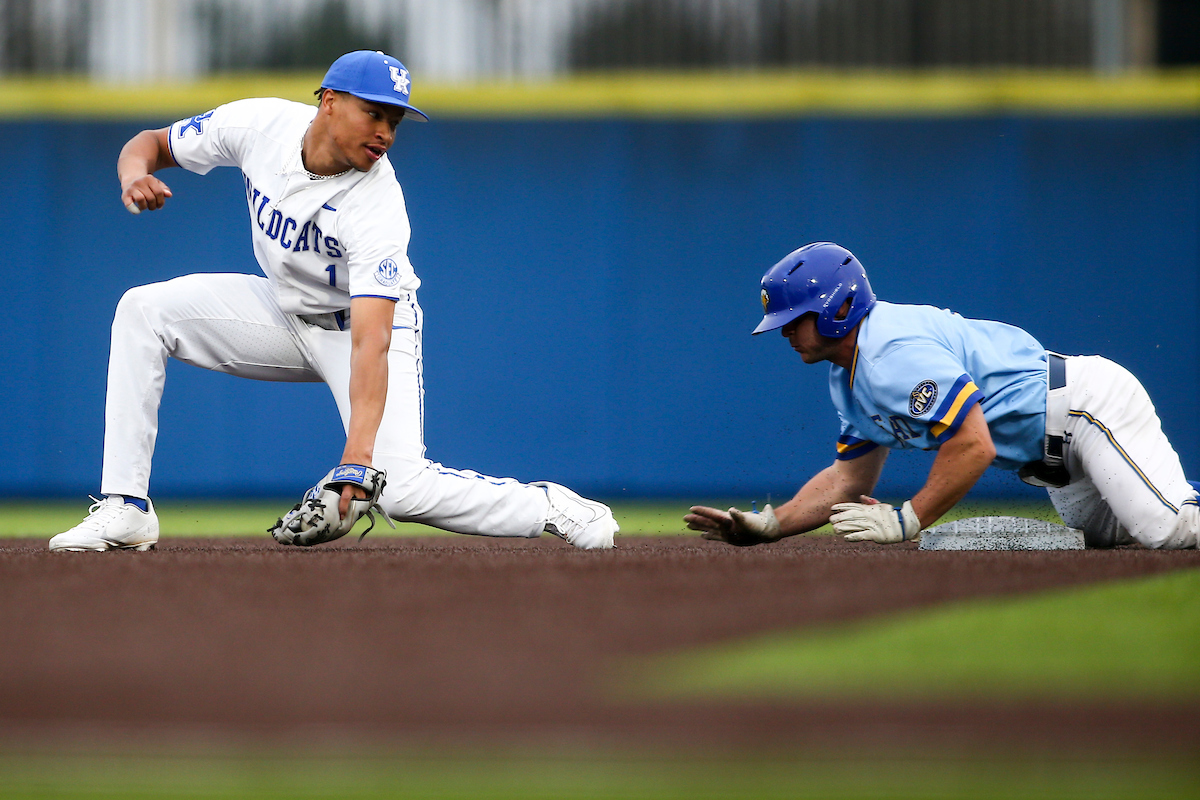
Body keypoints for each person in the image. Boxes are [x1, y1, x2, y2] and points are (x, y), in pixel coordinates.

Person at [50, 50, 617, 552]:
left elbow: (371, 342)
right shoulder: (258, 124)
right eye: (373, 113)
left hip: (364, 330)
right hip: (282, 309)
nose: (386, 132)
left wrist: (356, 461)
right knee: (143, 310)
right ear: (328, 101)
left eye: (394, 121)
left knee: (401, 489)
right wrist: (132, 175)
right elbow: (149, 144)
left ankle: (553, 507)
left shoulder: (378, 203)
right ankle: (125, 508)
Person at [685, 241, 1198, 550]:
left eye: (792, 320)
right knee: (1118, 535)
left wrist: (908, 519)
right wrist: (774, 524)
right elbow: (848, 479)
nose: (783, 333)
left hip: (1085, 408)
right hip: (1054, 460)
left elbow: (975, 445)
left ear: (835, 308)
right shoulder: (848, 375)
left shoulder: (891, 353)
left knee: (1166, 530)